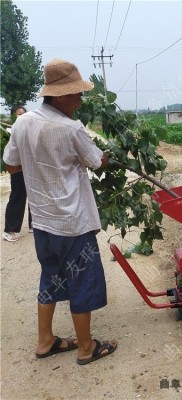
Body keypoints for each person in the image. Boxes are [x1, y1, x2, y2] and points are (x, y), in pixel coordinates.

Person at [3, 58, 117, 365]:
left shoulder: (23, 122)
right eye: (78, 94)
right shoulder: (71, 129)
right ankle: (85, 347)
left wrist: (39, 169)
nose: (80, 100)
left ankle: (45, 341)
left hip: (42, 222)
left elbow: (11, 164)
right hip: (72, 224)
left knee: (51, 279)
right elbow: (96, 162)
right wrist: (106, 157)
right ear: (61, 95)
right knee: (83, 281)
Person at [2, 105, 33, 242]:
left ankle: (34, 224)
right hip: (17, 168)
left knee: (34, 196)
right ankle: (10, 230)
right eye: (19, 114)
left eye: (24, 113)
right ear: (13, 116)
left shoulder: (30, 129)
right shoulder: (9, 130)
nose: (22, 116)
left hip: (31, 167)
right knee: (18, 196)